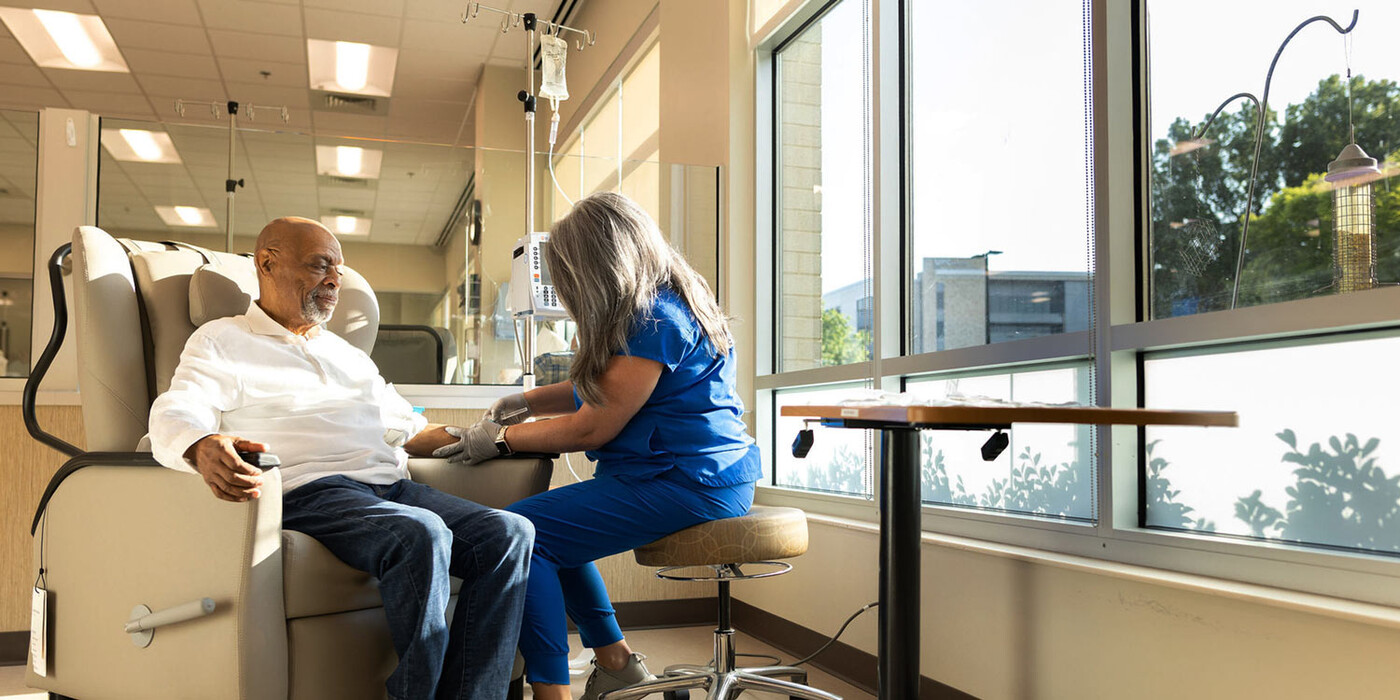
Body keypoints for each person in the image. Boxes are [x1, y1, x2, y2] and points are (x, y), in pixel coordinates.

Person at [148, 216, 534, 700]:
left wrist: (496, 438)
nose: (335, 280)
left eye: (340, 270)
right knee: (423, 532)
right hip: (309, 492)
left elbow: (408, 428)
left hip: (390, 489)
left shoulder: (348, 355)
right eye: (320, 265)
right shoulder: (222, 340)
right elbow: (177, 409)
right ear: (267, 263)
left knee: (509, 533)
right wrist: (200, 445)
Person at [435, 193, 762, 700]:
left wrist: (498, 441)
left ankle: (552, 691)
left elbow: (592, 427)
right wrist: (522, 401)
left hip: (689, 483)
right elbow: (609, 385)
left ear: (598, 265)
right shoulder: (661, 306)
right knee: (553, 532)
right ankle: (616, 662)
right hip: (696, 475)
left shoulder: (655, 318)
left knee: (525, 533)